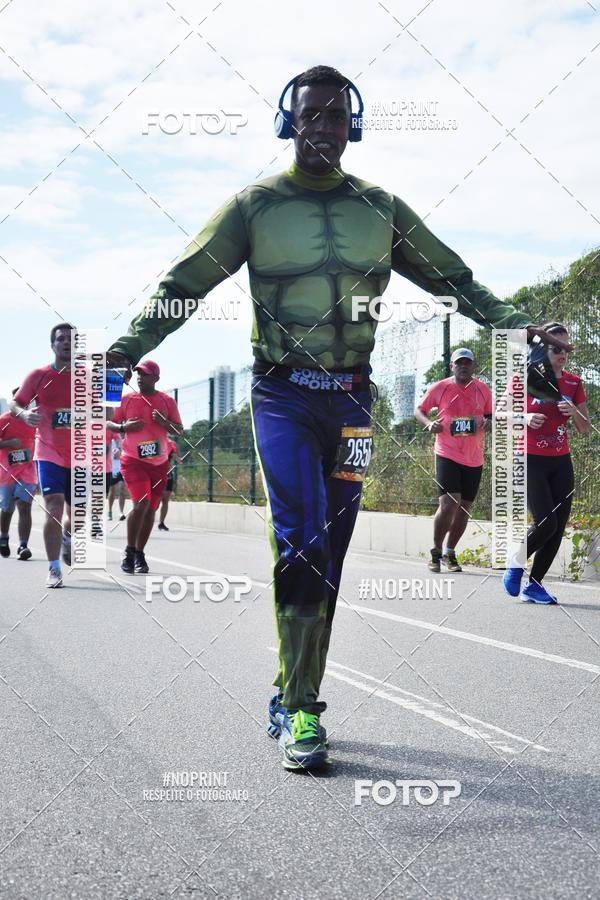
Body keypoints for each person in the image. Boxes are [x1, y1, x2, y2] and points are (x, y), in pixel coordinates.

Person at [107, 65, 572, 770]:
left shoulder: (380, 208)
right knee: (300, 541)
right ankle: (302, 710)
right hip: (282, 395)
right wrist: (121, 352)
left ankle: (290, 686)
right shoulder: (254, 207)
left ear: (350, 124)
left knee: (332, 550)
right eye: (309, 115)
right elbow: (184, 285)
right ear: (288, 122)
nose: (321, 127)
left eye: (333, 116)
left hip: (353, 402)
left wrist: (514, 322)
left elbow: (455, 280)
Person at [503, 322, 590, 604]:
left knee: (558, 524)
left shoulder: (574, 383)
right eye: (556, 349)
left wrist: (574, 411)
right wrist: (525, 418)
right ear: (542, 349)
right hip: (529, 459)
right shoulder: (523, 379)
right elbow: (501, 415)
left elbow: (585, 428)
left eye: (566, 349)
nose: (563, 354)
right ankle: (516, 560)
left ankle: (534, 585)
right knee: (546, 522)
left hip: (560, 462)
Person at [415, 348, 492, 573]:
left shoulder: (483, 388)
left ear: (473, 365)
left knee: (464, 508)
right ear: (452, 366)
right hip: (447, 452)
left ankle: (450, 552)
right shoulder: (440, 387)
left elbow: (490, 414)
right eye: (459, 363)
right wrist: (429, 424)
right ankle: (436, 552)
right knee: (450, 502)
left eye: (467, 362)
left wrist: (489, 422)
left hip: (474, 456)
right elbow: (419, 410)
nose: (463, 366)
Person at [11, 324, 74, 587]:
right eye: (61, 339)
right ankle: (54, 568)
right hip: (48, 452)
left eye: (71, 340)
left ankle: (68, 539)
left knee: (79, 515)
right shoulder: (38, 375)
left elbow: (106, 412)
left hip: (80, 454)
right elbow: (16, 403)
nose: (66, 343)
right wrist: (25, 414)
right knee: (54, 508)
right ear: (53, 345)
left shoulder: (87, 378)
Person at [107, 361, 182, 574]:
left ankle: (140, 553)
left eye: (146, 375)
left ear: (156, 378)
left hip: (159, 464)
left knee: (151, 509)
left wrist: (165, 422)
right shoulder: (127, 399)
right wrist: (123, 427)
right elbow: (108, 422)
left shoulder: (166, 401)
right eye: (138, 374)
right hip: (133, 461)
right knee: (141, 503)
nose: (140, 377)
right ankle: (129, 551)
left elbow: (179, 430)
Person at [0, 388, 37, 560]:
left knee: (25, 505)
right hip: (7, 471)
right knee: (7, 508)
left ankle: (23, 545)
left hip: (28, 471)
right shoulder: (4, 419)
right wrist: (8, 442)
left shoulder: (33, 420)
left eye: (27, 400)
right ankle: (4, 538)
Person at [157, 438, 182, 531]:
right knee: (156, 500)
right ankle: (147, 518)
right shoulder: (155, 441)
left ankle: (161, 523)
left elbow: (176, 456)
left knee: (165, 500)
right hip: (157, 474)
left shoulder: (171, 443)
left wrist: (178, 459)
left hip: (168, 474)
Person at [107, 437, 126, 522]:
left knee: (122, 489)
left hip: (123, 469)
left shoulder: (125, 441)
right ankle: (110, 511)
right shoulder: (111, 442)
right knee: (112, 491)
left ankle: (121, 512)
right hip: (113, 469)